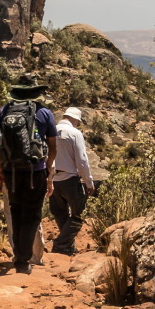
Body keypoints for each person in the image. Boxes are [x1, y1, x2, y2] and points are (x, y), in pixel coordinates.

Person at [0, 74, 57, 274]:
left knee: (16, 211)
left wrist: (1, 168)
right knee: (31, 215)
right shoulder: (45, 113)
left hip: (11, 171)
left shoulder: (5, 110)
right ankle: (23, 260)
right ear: (36, 92)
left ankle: (19, 255)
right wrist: (48, 169)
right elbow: (53, 147)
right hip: (35, 171)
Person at [48, 106, 96, 255]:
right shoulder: (75, 133)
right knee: (79, 213)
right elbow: (82, 161)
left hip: (53, 179)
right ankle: (61, 244)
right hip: (70, 179)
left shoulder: (50, 131)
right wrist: (89, 182)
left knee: (60, 212)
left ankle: (66, 246)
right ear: (75, 119)